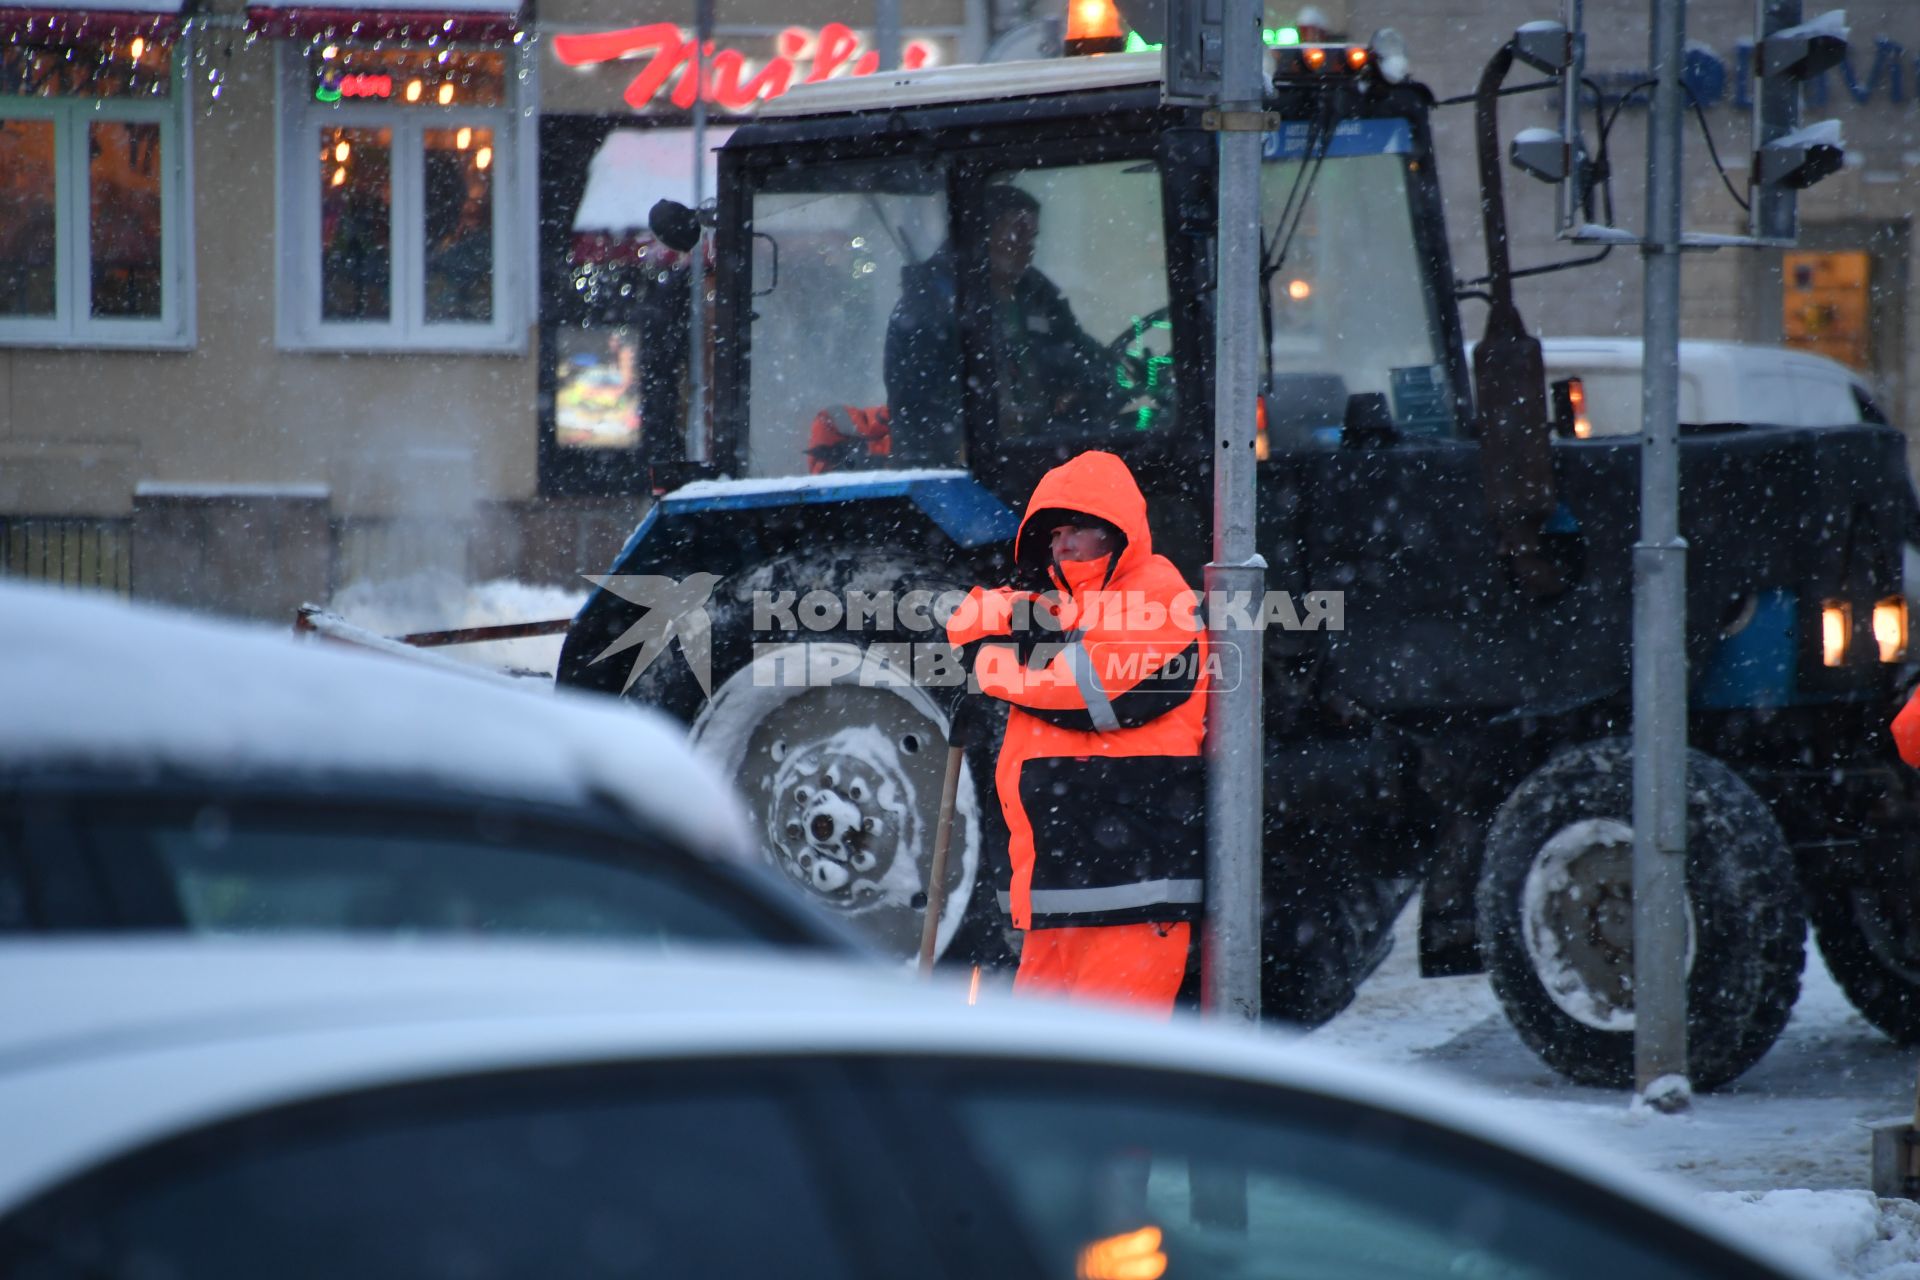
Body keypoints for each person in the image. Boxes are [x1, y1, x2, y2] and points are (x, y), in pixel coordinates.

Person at [945, 449, 1208, 1015]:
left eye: (1079, 529)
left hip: (1131, 890)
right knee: (1039, 1077)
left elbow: (1086, 693)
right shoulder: (1063, 610)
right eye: (1055, 533)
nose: (1062, 545)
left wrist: (990, 668)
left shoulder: (1159, 596)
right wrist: (1006, 643)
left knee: (1113, 1075)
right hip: (1060, 889)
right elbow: (966, 620)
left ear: (1116, 533)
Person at [885, 185, 1131, 460]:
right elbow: (915, 405)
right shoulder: (927, 307)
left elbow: (1079, 350)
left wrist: (1086, 382)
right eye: (1017, 236)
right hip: (966, 466)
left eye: (1033, 238)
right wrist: (975, 424)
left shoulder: (1036, 292)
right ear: (980, 235)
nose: (1028, 248)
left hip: (1040, 443)